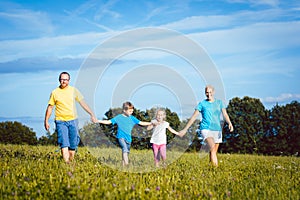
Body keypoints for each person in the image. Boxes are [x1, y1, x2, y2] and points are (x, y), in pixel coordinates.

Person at [44, 71, 97, 164]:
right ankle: (66, 163)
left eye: (65, 79)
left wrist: (91, 114)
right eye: (62, 79)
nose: (63, 81)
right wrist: (46, 121)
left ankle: (71, 161)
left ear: (69, 80)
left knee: (73, 143)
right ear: (59, 80)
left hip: (73, 120)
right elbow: (50, 107)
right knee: (64, 142)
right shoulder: (55, 92)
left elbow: (83, 103)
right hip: (60, 121)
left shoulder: (74, 91)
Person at [179, 85, 234, 167]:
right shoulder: (202, 104)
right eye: (207, 92)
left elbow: (225, 114)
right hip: (205, 129)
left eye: (210, 92)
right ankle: (216, 170)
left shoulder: (219, 103)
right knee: (212, 148)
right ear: (205, 93)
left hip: (217, 129)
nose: (209, 94)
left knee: (214, 151)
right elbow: (194, 117)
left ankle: (210, 167)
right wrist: (185, 129)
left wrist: (229, 123)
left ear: (213, 92)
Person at [97, 101, 152, 167]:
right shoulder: (118, 117)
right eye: (130, 111)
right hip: (121, 137)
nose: (131, 113)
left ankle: (123, 167)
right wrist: (98, 121)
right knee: (125, 149)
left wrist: (150, 123)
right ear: (124, 110)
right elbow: (109, 122)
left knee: (126, 152)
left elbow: (141, 123)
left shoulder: (132, 118)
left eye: (132, 111)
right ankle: (127, 165)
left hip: (128, 139)